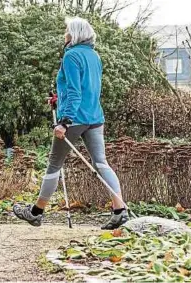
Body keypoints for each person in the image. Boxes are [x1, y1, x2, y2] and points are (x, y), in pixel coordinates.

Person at [13, 17, 129, 230]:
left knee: (54, 164)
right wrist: (59, 99)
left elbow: (76, 92)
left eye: (67, 30)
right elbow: (86, 89)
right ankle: (120, 210)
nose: (64, 34)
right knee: (101, 163)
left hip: (74, 119)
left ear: (74, 34)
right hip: (95, 117)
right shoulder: (94, 56)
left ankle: (36, 212)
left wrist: (64, 122)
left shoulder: (71, 56)